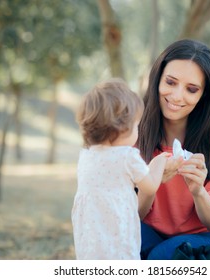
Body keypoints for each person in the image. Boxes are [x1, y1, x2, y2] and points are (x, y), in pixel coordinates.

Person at [136, 39, 210, 260]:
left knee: (165, 255)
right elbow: (133, 215)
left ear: (203, 95)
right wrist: (151, 185)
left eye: (191, 89)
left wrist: (198, 191)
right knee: (112, 231)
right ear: (157, 79)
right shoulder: (134, 134)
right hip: (150, 235)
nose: (177, 96)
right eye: (170, 82)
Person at [71, 78, 170, 260]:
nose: (138, 130)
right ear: (120, 127)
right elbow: (149, 186)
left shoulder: (86, 155)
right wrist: (159, 163)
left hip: (91, 233)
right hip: (118, 232)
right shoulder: (127, 156)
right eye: (135, 125)